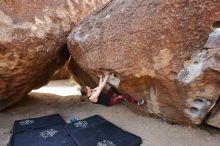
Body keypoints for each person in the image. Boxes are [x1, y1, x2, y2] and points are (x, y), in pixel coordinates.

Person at [80, 72, 145, 106]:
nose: (88, 86)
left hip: (107, 96)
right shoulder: (92, 98)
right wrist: (106, 77)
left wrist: (100, 78)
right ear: (86, 91)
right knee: (121, 96)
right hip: (109, 102)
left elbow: (99, 86)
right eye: (87, 87)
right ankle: (138, 103)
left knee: (112, 88)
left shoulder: (91, 91)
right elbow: (101, 87)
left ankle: (122, 98)